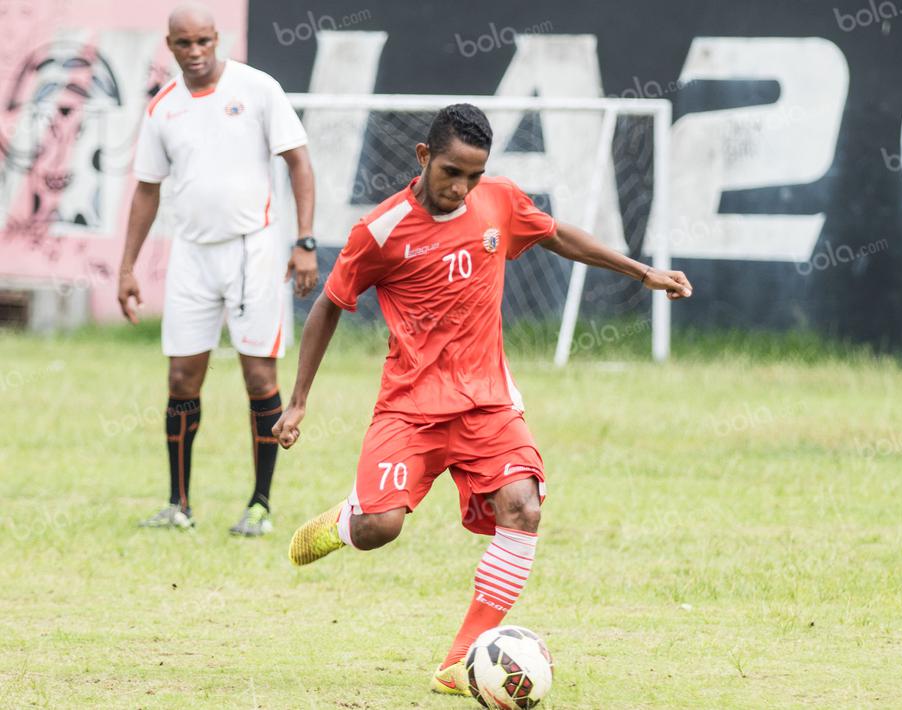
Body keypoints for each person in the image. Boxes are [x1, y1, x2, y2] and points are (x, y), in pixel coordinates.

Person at [272, 103, 692, 694]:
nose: (462, 188)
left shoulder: (499, 200)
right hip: (410, 408)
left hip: (488, 402)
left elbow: (557, 235)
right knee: (380, 528)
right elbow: (328, 307)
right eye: (450, 172)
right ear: (423, 157)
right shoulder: (381, 231)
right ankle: (346, 520)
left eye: (473, 175)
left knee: (523, 507)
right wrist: (299, 400)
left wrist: (639, 272)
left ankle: (460, 658)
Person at [117, 3, 319, 536]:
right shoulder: (163, 109)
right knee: (182, 375)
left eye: (205, 41)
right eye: (186, 44)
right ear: (171, 47)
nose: (197, 52)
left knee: (259, 377)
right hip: (191, 254)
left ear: (216, 39)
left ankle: (259, 505)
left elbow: (299, 162)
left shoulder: (257, 89)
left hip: (253, 251)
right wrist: (127, 267)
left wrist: (304, 243)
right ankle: (178, 505)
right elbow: (146, 189)